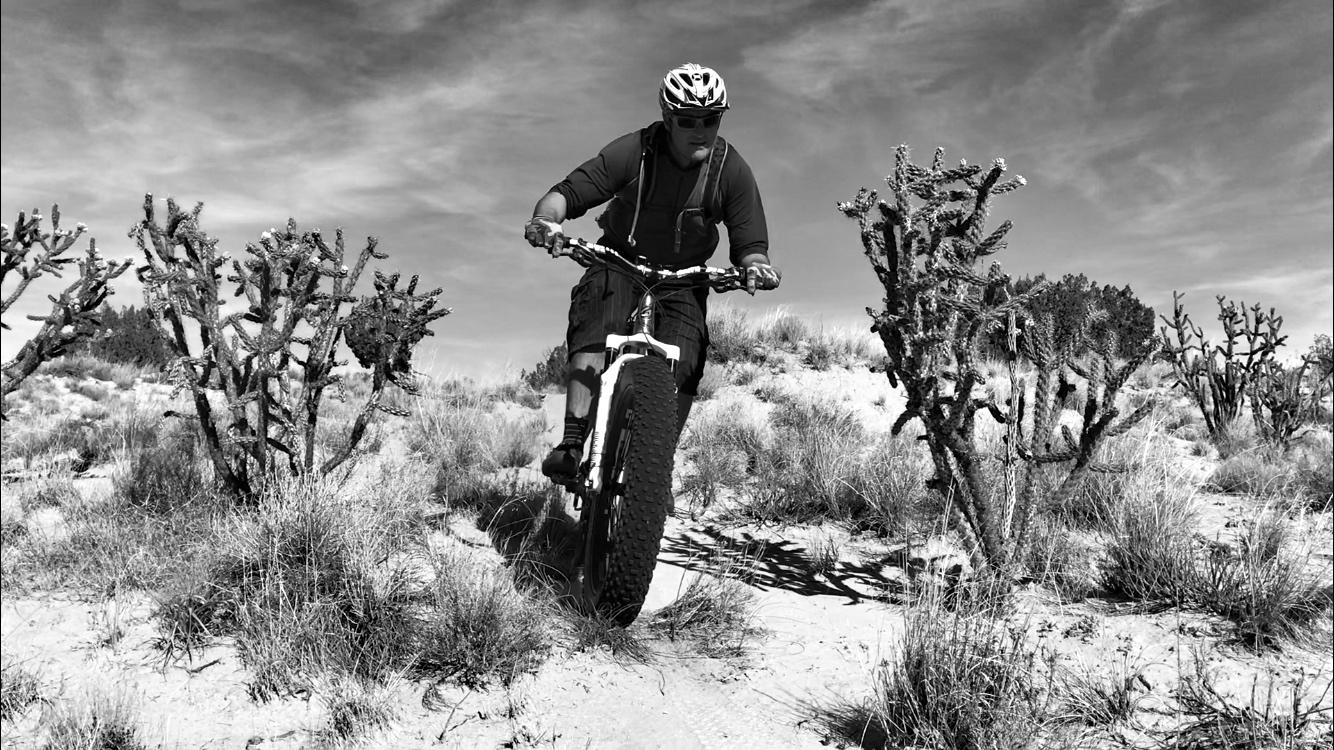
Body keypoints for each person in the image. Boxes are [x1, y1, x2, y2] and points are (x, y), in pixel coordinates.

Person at [524, 62, 781, 481]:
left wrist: (755, 269)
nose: (700, 129)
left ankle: (655, 470)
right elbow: (566, 194)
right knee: (598, 320)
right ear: (667, 118)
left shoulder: (730, 169)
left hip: (684, 277)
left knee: (688, 357)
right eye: (687, 120)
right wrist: (547, 222)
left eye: (710, 119)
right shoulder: (635, 151)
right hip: (618, 260)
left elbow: (751, 246)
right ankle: (572, 443)